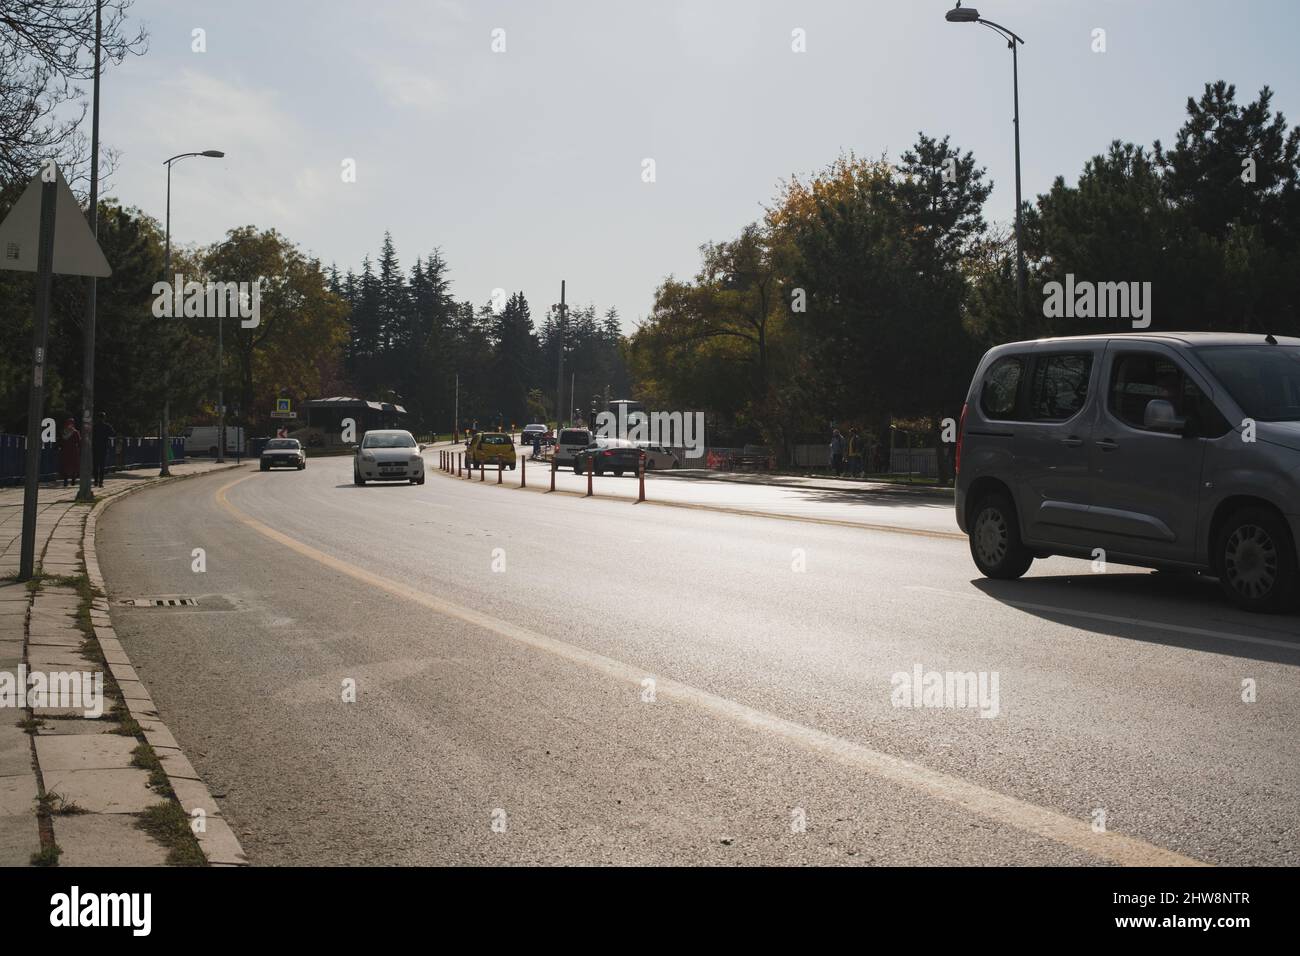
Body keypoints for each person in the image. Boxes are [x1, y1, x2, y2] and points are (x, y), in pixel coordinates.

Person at [92, 411, 115, 487]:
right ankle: (100, 482)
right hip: (104, 447)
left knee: (95, 465)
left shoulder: (95, 426)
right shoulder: (107, 426)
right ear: (104, 418)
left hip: (95, 447)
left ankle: (95, 481)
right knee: (102, 466)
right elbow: (113, 433)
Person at [58, 418, 80, 487]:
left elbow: (60, 441)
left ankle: (65, 480)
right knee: (73, 465)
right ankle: (73, 480)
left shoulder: (63, 432)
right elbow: (78, 441)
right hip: (73, 451)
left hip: (65, 451)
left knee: (65, 465)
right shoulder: (75, 432)